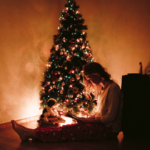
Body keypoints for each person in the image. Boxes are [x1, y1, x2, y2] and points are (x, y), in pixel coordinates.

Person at [11, 62, 123, 142]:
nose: (89, 81)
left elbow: (110, 117)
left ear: (97, 74)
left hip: (109, 130)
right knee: (67, 127)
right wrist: (86, 119)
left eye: (89, 77)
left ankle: (29, 133)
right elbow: (100, 114)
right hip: (101, 126)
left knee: (67, 131)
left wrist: (89, 122)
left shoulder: (113, 88)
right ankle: (29, 132)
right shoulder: (102, 89)